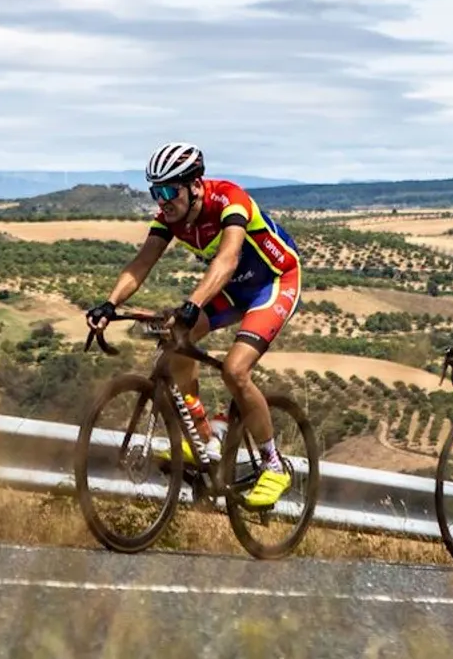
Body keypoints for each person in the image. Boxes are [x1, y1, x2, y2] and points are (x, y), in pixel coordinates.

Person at [86, 143, 303, 508]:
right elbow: (142, 263)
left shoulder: (230, 200)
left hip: (276, 281)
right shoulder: (170, 217)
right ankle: (206, 438)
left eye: (170, 190)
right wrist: (110, 303)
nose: (163, 200)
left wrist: (193, 303)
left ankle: (273, 463)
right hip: (233, 289)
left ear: (195, 185)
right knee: (175, 342)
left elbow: (228, 259)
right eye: (157, 192)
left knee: (235, 370)